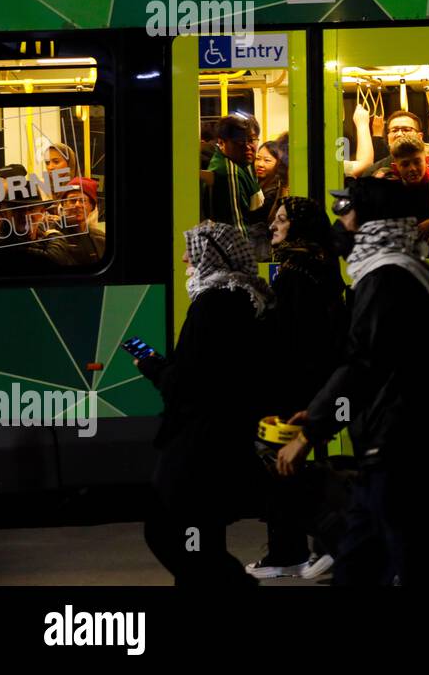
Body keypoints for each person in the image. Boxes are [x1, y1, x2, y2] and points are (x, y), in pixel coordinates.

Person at [276, 177, 429, 586]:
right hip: (389, 446)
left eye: (347, 210)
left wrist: (310, 432)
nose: (340, 221)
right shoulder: (396, 271)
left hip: (396, 449)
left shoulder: (385, 277)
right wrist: (323, 410)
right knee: (363, 563)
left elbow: (363, 363)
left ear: (372, 218)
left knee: (412, 566)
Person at [138, 221, 274, 586]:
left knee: (167, 529)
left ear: (210, 256)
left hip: (198, 440)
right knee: (201, 532)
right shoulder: (245, 297)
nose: (185, 258)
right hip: (225, 434)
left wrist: (151, 366)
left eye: (192, 250)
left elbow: (185, 384)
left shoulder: (212, 304)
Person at [244, 197, 349, 580]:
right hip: (311, 381)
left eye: (283, 220)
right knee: (293, 465)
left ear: (299, 228)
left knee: (282, 466)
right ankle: (301, 548)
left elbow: (287, 337)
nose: (274, 225)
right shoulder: (318, 264)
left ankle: (308, 546)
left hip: (290, 384)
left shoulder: (295, 272)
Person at [204, 115, 264, 239]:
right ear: (221, 143)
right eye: (239, 141)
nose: (247, 146)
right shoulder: (230, 173)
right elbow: (237, 230)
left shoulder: (244, 162)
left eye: (252, 140)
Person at [358, 110, 426, 179]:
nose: (399, 134)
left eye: (406, 130)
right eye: (394, 130)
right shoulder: (373, 172)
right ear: (388, 137)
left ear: (419, 137)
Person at [55, 177, 105, 266]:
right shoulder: (50, 235)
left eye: (82, 200)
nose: (77, 205)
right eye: (72, 200)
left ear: (91, 207)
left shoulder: (100, 239)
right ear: (63, 204)